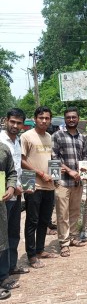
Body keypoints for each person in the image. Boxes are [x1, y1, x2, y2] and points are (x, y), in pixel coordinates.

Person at [21, 106, 56, 268]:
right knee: (32, 220)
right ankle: (31, 255)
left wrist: (55, 177)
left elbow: (50, 159)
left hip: (48, 185)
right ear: (35, 119)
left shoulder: (49, 137)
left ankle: (40, 250)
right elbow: (22, 160)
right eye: (41, 118)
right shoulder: (27, 136)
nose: (44, 121)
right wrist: (41, 174)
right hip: (31, 182)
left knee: (44, 220)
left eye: (47, 118)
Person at [51, 107, 87, 257]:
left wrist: (82, 174)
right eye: (68, 117)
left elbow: (85, 157)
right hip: (62, 182)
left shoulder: (82, 138)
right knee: (62, 214)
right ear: (65, 119)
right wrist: (69, 171)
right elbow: (54, 158)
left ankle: (73, 237)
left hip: (77, 182)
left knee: (75, 211)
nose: (71, 120)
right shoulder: (57, 136)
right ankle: (64, 243)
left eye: (74, 117)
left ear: (78, 118)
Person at [0, 108, 30, 277]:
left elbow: (16, 169)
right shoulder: (0, 142)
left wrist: (23, 186)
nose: (15, 125)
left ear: (22, 125)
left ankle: (11, 266)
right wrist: (10, 187)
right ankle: (3, 274)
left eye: (19, 123)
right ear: (6, 120)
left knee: (13, 234)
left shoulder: (17, 141)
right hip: (3, 197)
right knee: (2, 237)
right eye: (12, 122)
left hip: (17, 195)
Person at [0, 125, 19, 294]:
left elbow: (12, 173)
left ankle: (4, 275)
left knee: (3, 238)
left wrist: (11, 187)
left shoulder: (3, 149)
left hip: (1, 204)